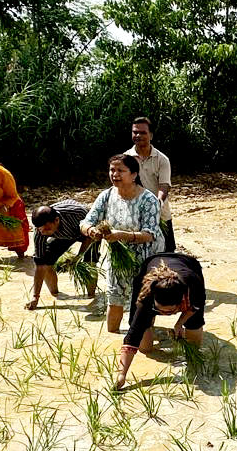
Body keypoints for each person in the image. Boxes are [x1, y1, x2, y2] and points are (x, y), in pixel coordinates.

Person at [80, 154, 163, 334]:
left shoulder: (148, 200)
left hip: (146, 256)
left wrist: (122, 235)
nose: (114, 174)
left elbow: (150, 234)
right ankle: (113, 337)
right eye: (112, 170)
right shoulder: (107, 195)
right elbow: (86, 222)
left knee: (143, 299)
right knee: (115, 296)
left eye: (120, 170)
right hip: (118, 257)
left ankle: (142, 335)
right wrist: (91, 231)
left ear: (134, 174)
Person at [115, 252, 206, 390]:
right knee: (145, 348)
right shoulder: (145, 299)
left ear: (181, 302)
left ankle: (193, 361)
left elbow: (196, 306)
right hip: (152, 262)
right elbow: (132, 337)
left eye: (170, 312)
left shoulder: (193, 285)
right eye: (160, 311)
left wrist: (179, 324)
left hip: (187, 263)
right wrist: (121, 375)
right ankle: (152, 325)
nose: (164, 315)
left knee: (194, 327)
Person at [27, 201, 98, 310]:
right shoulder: (40, 233)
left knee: (88, 263)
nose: (44, 233)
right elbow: (40, 266)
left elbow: (88, 237)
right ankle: (56, 294)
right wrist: (35, 297)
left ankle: (92, 297)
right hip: (63, 235)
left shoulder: (77, 214)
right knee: (46, 261)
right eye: (41, 230)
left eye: (47, 229)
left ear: (56, 220)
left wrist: (78, 257)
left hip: (88, 232)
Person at [125, 117, 175, 252]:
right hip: (135, 216)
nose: (138, 136)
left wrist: (157, 204)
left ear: (151, 135)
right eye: (135, 132)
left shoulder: (162, 159)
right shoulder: (125, 159)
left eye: (142, 133)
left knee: (167, 256)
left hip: (161, 216)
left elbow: (164, 186)